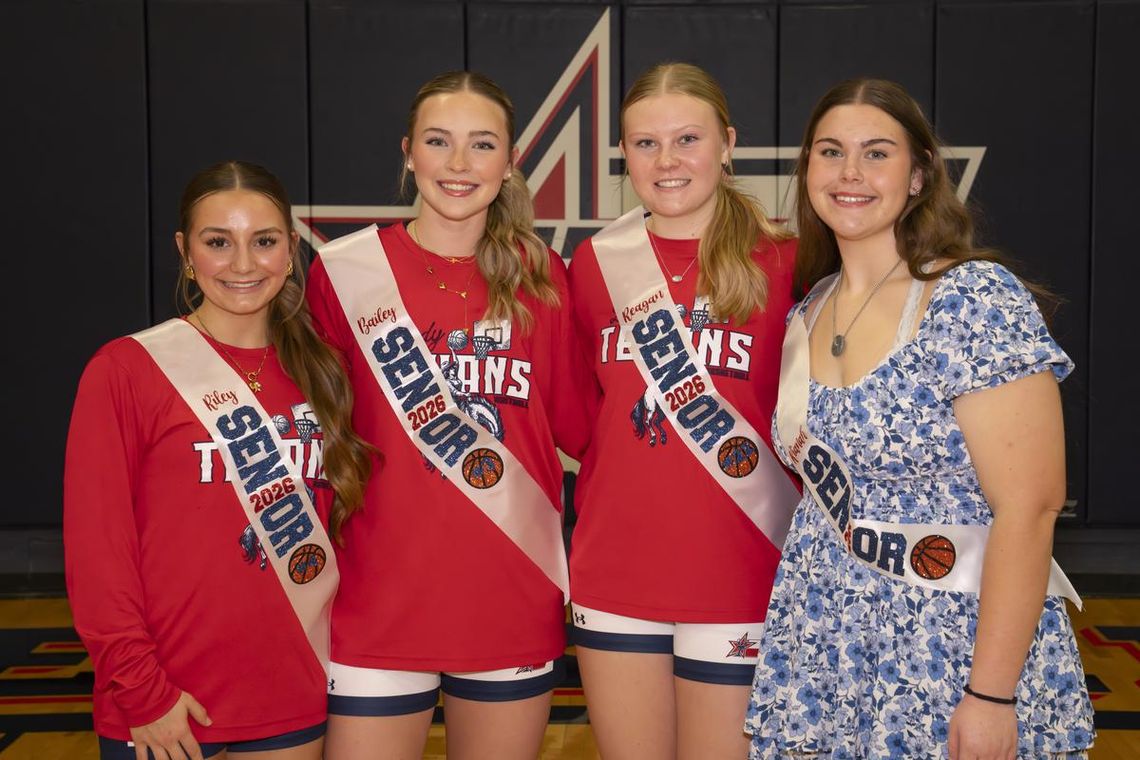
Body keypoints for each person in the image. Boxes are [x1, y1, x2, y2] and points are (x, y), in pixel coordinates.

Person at [744, 78, 1095, 760]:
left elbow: (1030, 506)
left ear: (919, 175)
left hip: (952, 644)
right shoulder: (806, 309)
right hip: (825, 647)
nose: (850, 173)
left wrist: (991, 695)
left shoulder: (971, 299)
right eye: (830, 152)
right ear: (808, 170)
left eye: (877, 153)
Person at [305, 71, 594, 760]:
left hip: (507, 590)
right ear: (409, 152)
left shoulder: (542, 274)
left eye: (482, 144)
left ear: (509, 160)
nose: (459, 164)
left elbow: (585, 428)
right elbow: (311, 439)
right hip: (375, 595)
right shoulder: (343, 272)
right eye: (439, 142)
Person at [65, 160, 374, 760]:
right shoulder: (127, 370)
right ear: (185, 251)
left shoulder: (326, 373)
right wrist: (144, 693)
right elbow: (97, 552)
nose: (241, 264)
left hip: (293, 693)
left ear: (289, 249)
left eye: (263, 241)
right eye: (217, 242)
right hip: (163, 703)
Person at [566, 62, 801, 759]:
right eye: (644, 144)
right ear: (624, 155)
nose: (666, 161)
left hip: (742, 565)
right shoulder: (593, 262)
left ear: (727, 143)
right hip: (615, 569)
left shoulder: (788, 259)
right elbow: (586, 418)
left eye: (688, 139)